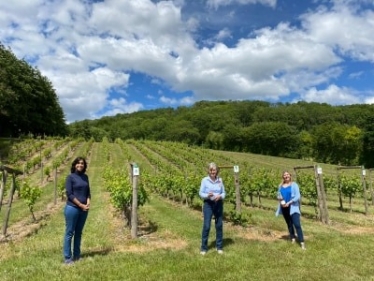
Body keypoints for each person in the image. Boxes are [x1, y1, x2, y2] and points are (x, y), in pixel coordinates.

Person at [63, 157, 91, 264]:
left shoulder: (85, 177)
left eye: (82, 163)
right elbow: (69, 194)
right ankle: (67, 258)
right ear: (75, 165)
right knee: (69, 233)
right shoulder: (70, 177)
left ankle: (77, 255)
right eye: (78, 163)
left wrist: (88, 202)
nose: (80, 165)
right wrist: (80, 205)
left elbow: (88, 192)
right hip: (72, 208)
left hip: (84, 209)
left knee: (78, 233)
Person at [199, 162, 226, 255]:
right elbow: (201, 193)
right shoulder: (204, 180)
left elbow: (224, 193)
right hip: (208, 204)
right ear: (208, 171)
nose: (212, 172)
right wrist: (207, 195)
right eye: (210, 170)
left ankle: (219, 247)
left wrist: (220, 196)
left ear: (217, 171)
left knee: (219, 225)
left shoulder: (220, 180)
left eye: (214, 170)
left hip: (218, 204)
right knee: (206, 225)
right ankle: (204, 248)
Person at [276, 171, 305, 250]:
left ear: (290, 176)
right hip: (284, 207)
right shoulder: (280, 186)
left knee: (297, 224)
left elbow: (297, 196)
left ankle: (302, 242)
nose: (286, 176)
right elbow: (278, 195)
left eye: (287, 175)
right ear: (283, 177)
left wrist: (289, 202)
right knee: (289, 224)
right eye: (284, 175)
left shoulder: (294, 185)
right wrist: (280, 200)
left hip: (293, 207)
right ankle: (292, 238)